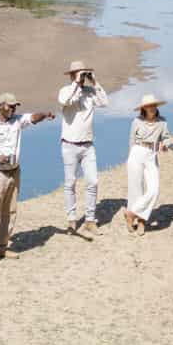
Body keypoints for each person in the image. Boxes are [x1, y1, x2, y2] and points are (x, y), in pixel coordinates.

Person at [0, 92, 53, 266]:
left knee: (10, 212)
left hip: (15, 172)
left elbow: (33, 118)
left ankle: (2, 247)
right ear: (1, 106)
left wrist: (45, 114)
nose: (13, 109)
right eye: (10, 106)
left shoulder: (17, 120)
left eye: (15, 106)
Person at [57, 59, 108, 234]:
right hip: (69, 145)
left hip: (88, 145)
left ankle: (90, 219)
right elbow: (65, 101)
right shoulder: (65, 91)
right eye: (79, 73)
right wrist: (76, 84)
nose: (82, 77)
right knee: (70, 183)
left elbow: (104, 102)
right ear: (71, 75)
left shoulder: (90, 92)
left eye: (83, 73)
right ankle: (72, 219)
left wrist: (95, 82)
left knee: (93, 182)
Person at [123, 93, 169, 234]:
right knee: (135, 190)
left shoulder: (162, 122)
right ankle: (140, 222)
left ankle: (131, 213)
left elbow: (167, 138)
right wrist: (130, 157)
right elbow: (131, 141)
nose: (152, 108)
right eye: (149, 106)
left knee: (154, 189)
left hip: (151, 155)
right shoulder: (136, 121)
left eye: (154, 105)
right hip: (137, 153)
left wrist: (165, 144)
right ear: (144, 108)